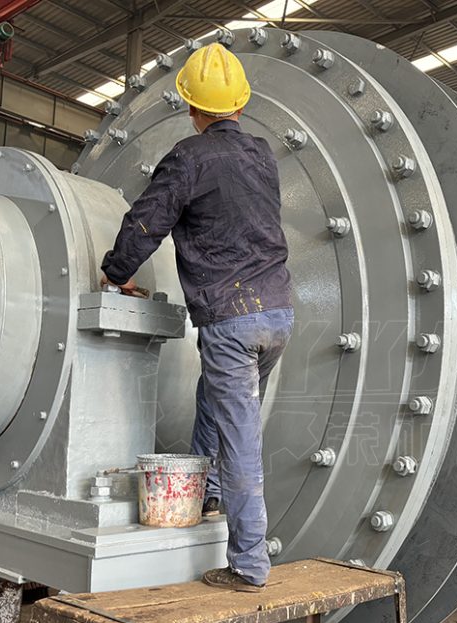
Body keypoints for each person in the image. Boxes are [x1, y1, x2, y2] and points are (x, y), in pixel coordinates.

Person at [100, 43, 293, 593]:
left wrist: (115, 273)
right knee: (214, 399)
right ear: (240, 105)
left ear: (192, 108)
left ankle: (249, 564)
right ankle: (206, 496)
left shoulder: (189, 158)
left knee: (239, 439)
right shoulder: (262, 156)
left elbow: (146, 222)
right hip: (276, 313)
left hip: (231, 318)